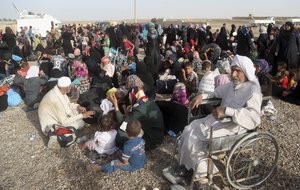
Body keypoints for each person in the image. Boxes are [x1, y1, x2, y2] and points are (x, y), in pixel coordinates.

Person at [177, 55, 262, 184]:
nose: (233, 74)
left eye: (238, 71)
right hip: (219, 120)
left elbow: (253, 117)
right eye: (232, 69)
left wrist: (227, 110)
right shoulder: (232, 84)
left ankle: (206, 177)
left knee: (197, 139)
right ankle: (187, 165)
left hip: (234, 125)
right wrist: (202, 96)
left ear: (245, 71)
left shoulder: (253, 90)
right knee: (189, 129)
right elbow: (215, 92)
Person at [109, 85, 164, 151]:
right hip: (157, 134)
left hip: (152, 139)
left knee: (120, 137)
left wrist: (115, 104)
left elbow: (122, 120)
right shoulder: (147, 101)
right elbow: (130, 116)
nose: (129, 98)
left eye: (129, 96)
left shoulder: (139, 110)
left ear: (134, 96)